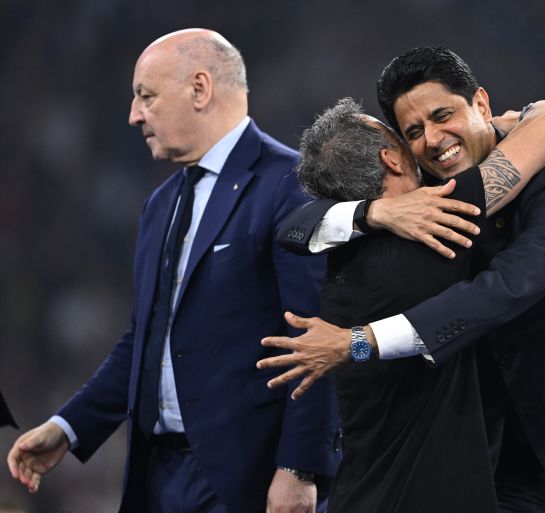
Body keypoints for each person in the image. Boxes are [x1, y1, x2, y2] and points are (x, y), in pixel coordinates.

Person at [259, 46, 545, 513]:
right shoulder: (422, 207)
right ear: (401, 152)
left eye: (443, 115)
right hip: (509, 469)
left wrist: (358, 341)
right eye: (414, 132)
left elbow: (502, 291)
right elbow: (295, 227)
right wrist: (375, 211)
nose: (432, 138)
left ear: (481, 104)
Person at [6, 29, 340, 513]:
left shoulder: (290, 187)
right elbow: (145, 339)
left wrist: (300, 469)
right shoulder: (160, 205)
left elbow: (318, 339)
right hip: (157, 477)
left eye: (146, 96)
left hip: (248, 481)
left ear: (200, 89)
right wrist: (69, 427)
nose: (134, 114)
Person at [287, 96, 545, 513]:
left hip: (360, 494)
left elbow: (292, 227)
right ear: (391, 159)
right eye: (404, 138)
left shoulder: (343, 254)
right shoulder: (441, 224)